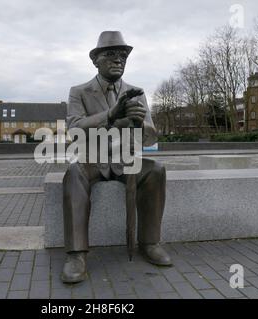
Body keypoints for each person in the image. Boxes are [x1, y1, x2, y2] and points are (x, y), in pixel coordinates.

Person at [61, 31, 172, 284]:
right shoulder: (79, 92)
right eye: (110, 54)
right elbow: (75, 128)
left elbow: (151, 137)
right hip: (92, 159)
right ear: (95, 60)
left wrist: (139, 124)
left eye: (122, 55)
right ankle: (76, 254)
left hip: (126, 160)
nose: (118, 59)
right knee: (73, 173)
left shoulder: (136, 92)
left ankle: (150, 242)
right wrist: (111, 114)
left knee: (156, 170)